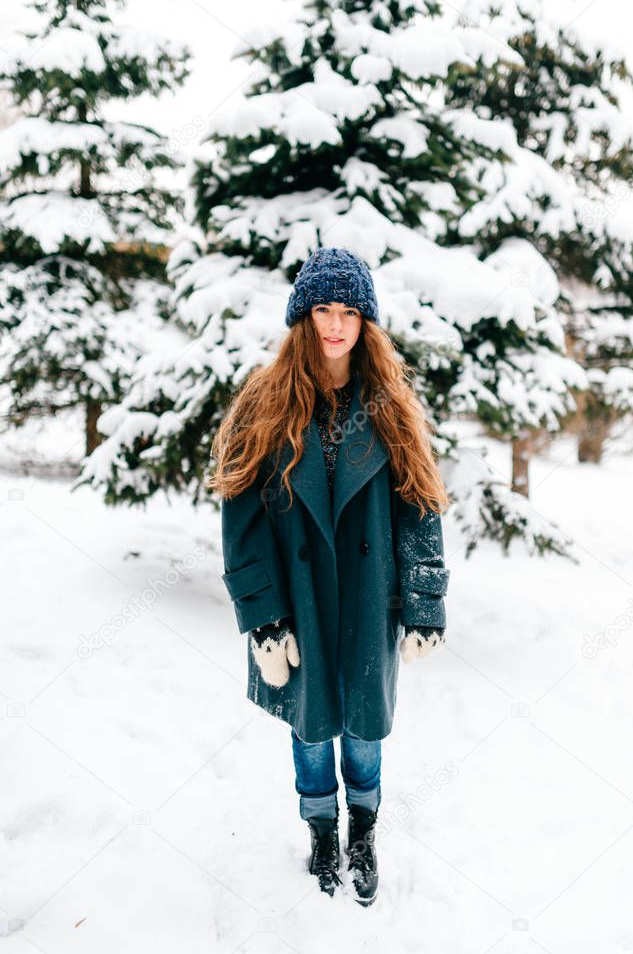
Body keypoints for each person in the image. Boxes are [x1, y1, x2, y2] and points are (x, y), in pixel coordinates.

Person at [209, 247, 451, 906]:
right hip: (299, 600)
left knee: (365, 725)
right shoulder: (264, 401)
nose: (335, 324)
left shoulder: (391, 404)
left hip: (371, 601)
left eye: (348, 311)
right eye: (323, 309)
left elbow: (420, 504)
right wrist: (263, 616)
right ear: (303, 316)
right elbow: (240, 515)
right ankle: (320, 828)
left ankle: (363, 828)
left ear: (365, 321)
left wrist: (424, 600)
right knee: (311, 724)